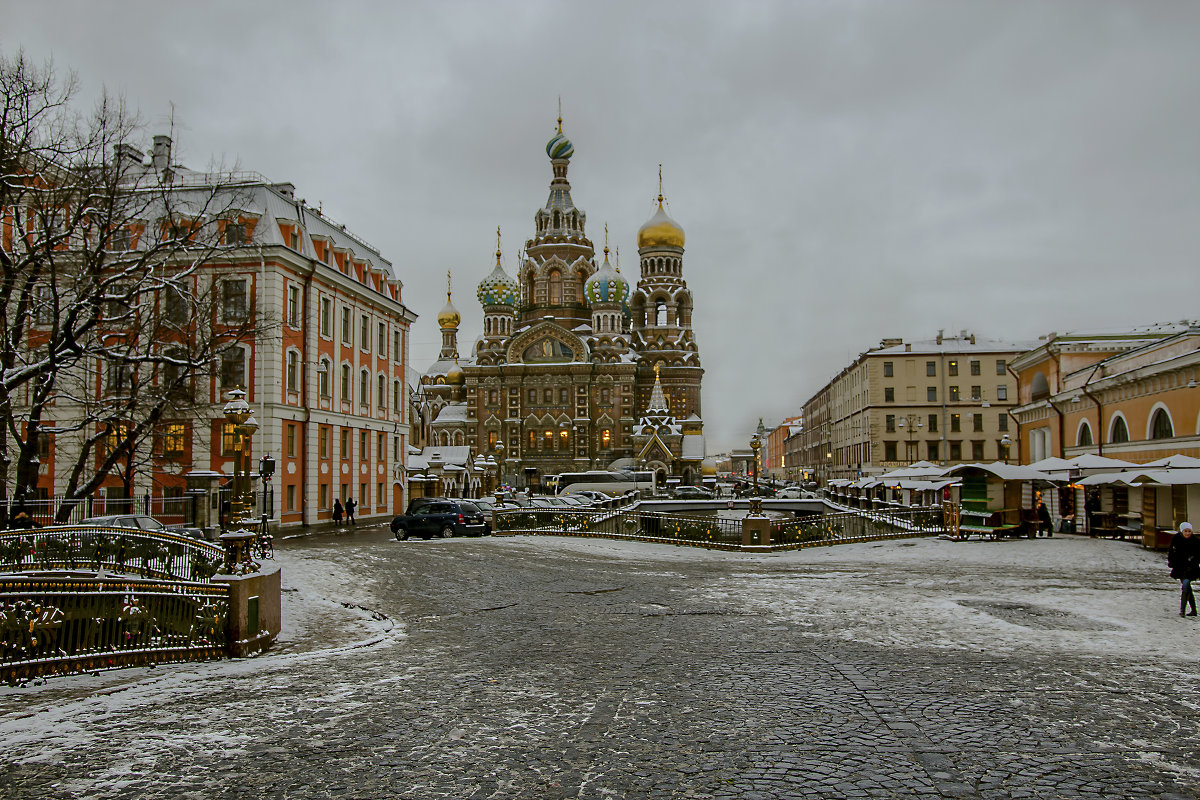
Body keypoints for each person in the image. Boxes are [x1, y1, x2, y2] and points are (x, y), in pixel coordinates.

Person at [1167, 522, 1200, 617]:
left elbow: (1198, 555)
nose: (1187, 533)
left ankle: (1182, 611)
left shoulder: (1196, 542)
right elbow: (1171, 552)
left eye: (1189, 531)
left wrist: (1192, 561)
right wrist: (1171, 562)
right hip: (1179, 568)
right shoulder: (1176, 540)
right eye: (1185, 531)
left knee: (1185, 585)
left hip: (1191, 569)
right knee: (1187, 587)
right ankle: (1193, 610)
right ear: (1182, 531)